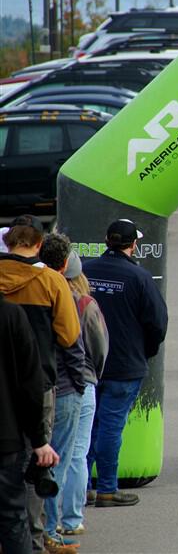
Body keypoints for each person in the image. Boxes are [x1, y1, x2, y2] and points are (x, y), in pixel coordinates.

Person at [0, 215, 80, 553]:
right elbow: (69, 334)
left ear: (9, 243)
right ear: (38, 244)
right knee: (35, 460)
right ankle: (32, 537)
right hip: (40, 380)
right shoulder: (51, 281)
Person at [83, 218, 168, 507]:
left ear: (107, 241)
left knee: (88, 426)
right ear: (134, 244)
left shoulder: (86, 270)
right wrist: (147, 350)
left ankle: (81, 487)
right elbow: (157, 323)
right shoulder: (139, 277)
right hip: (124, 365)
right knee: (110, 427)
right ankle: (107, 488)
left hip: (88, 364)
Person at [0, 293, 62, 554]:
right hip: (6, 439)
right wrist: (39, 440)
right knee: (13, 519)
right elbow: (30, 385)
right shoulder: (11, 315)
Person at [37, 235, 89, 548]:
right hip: (64, 387)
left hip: (29, 386)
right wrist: (80, 381)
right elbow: (74, 342)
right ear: (67, 263)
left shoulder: (27, 285)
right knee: (60, 460)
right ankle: (52, 530)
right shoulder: (64, 292)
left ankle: (32, 528)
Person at [59, 251, 107, 536]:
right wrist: (93, 375)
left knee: (51, 453)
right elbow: (99, 347)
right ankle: (71, 519)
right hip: (81, 381)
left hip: (46, 383)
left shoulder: (41, 297)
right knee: (77, 454)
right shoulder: (84, 304)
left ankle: (47, 518)